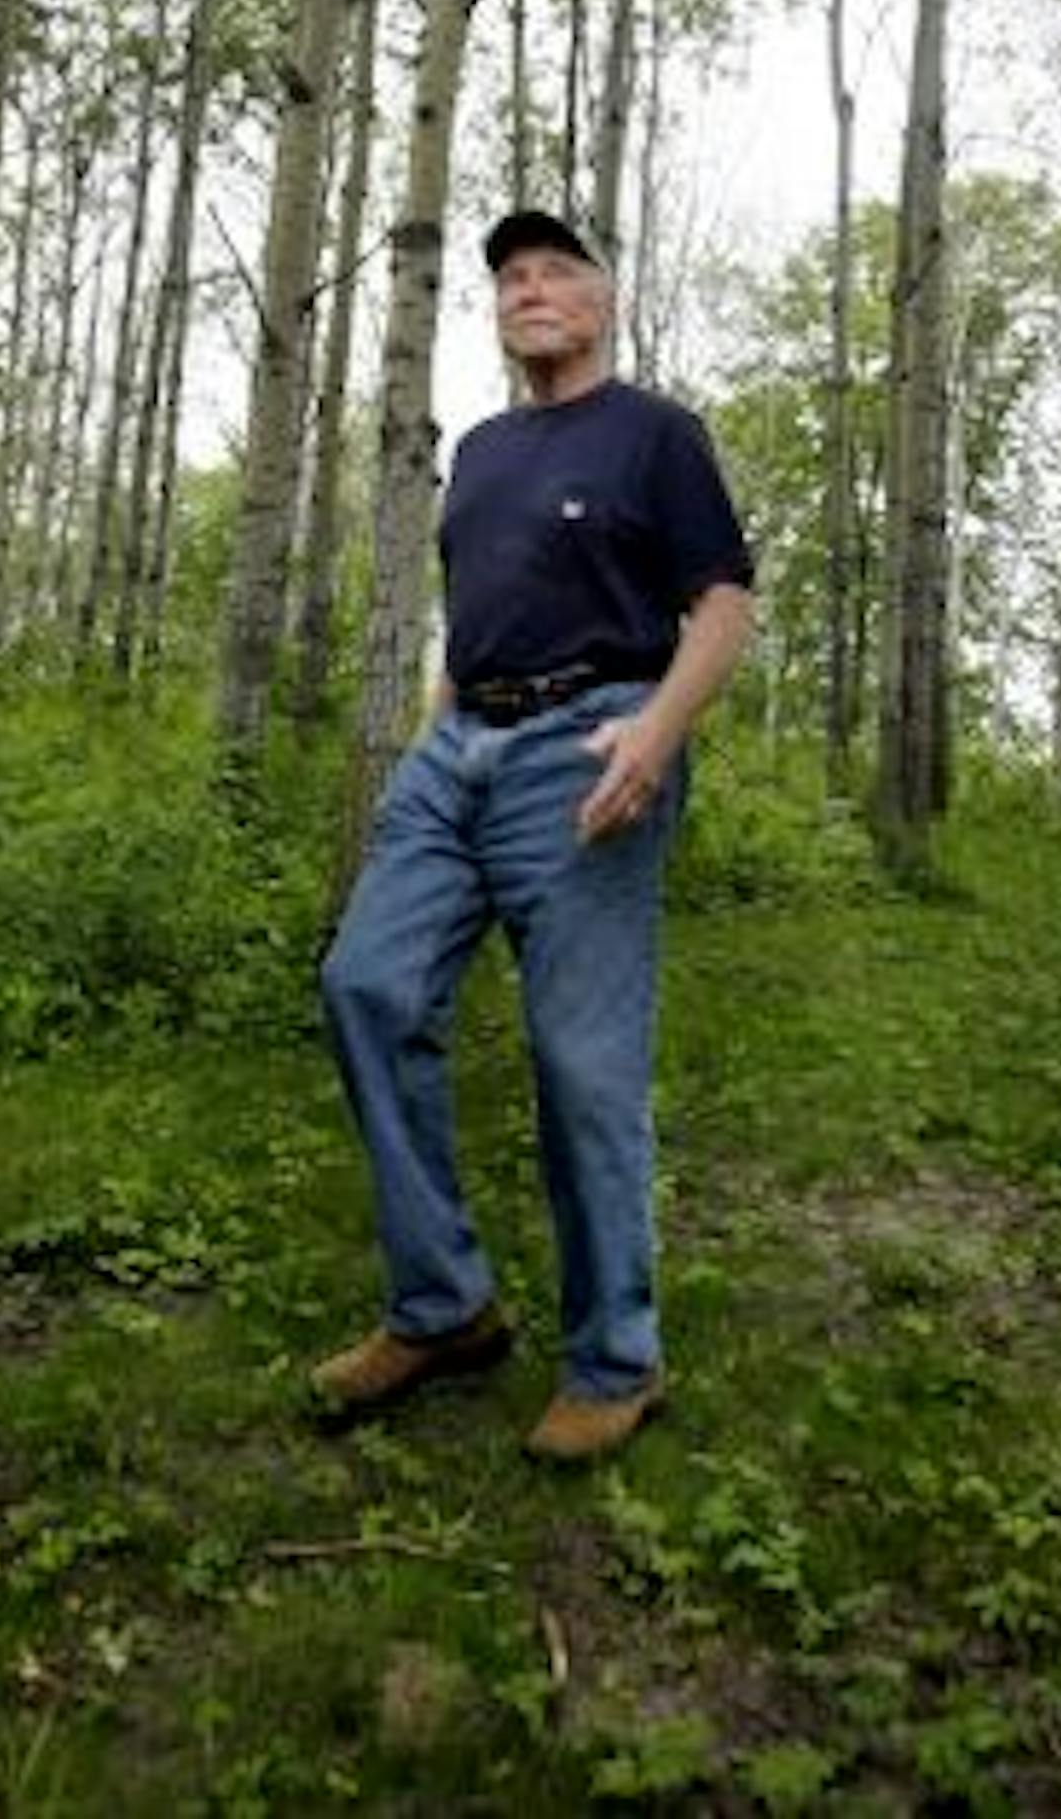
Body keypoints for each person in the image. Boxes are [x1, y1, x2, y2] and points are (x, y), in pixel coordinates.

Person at [311, 207, 756, 1463]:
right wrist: (436, 733)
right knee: (366, 983)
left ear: (604, 300)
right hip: (457, 755)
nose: (530, 289)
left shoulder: (656, 436)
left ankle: (617, 1361)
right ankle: (444, 1306)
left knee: (581, 1062)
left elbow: (723, 605)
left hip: (593, 747)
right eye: (510, 277)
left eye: (557, 270)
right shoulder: (486, 450)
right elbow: (480, 615)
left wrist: (658, 735)